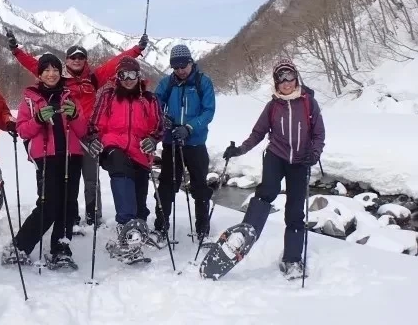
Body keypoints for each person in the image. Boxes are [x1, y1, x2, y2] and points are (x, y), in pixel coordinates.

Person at [6, 30, 149, 228]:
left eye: (81, 57)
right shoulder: (59, 78)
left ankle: (93, 215)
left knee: (91, 179)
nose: (77, 60)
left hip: (88, 135)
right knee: (68, 179)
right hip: (65, 136)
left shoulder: (93, 78)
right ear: (67, 60)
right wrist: (16, 51)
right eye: (73, 57)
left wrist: (137, 49)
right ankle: (69, 216)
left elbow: (115, 63)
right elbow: (35, 66)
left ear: (85, 60)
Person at [222, 58, 325, 278]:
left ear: (296, 78)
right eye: (281, 78)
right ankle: (243, 236)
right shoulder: (272, 106)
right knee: (266, 193)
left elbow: (318, 134)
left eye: (290, 77)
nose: (286, 82)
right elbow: (258, 133)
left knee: (295, 211)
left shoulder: (309, 103)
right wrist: (240, 149)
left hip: (300, 162)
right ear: (276, 82)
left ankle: (293, 259)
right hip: (275, 157)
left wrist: (314, 154)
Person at [1, 53, 88, 269]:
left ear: (60, 73)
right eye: (47, 70)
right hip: (46, 157)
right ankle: (19, 247)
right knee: (49, 204)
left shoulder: (70, 97)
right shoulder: (31, 98)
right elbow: (22, 131)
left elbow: (82, 130)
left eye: (55, 70)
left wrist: (75, 115)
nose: (51, 74)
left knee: (68, 203)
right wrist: (38, 119)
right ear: (40, 74)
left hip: (71, 156)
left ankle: (61, 249)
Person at [84, 57, 163, 262]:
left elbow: (159, 127)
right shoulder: (109, 96)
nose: (128, 79)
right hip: (113, 146)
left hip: (140, 151)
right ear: (117, 77)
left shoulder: (149, 99)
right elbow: (94, 124)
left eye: (132, 75)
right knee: (120, 170)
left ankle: (138, 227)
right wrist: (94, 139)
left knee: (138, 199)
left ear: (138, 76)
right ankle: (126, 226)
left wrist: (153, 140)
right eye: (123, 75)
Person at [153, 44, 216, 244]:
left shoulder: (202, 82)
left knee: (199, 186)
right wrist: (163, 118)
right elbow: (154, 103)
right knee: (166, 186)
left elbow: (208, 111)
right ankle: (161, 227)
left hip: (195, 143)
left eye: (183, 65)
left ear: (191, 62)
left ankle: (202, 228)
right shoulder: (167, 83)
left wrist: (189, 127)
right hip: (171, 142)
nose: (180, 70)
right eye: (176, 66)